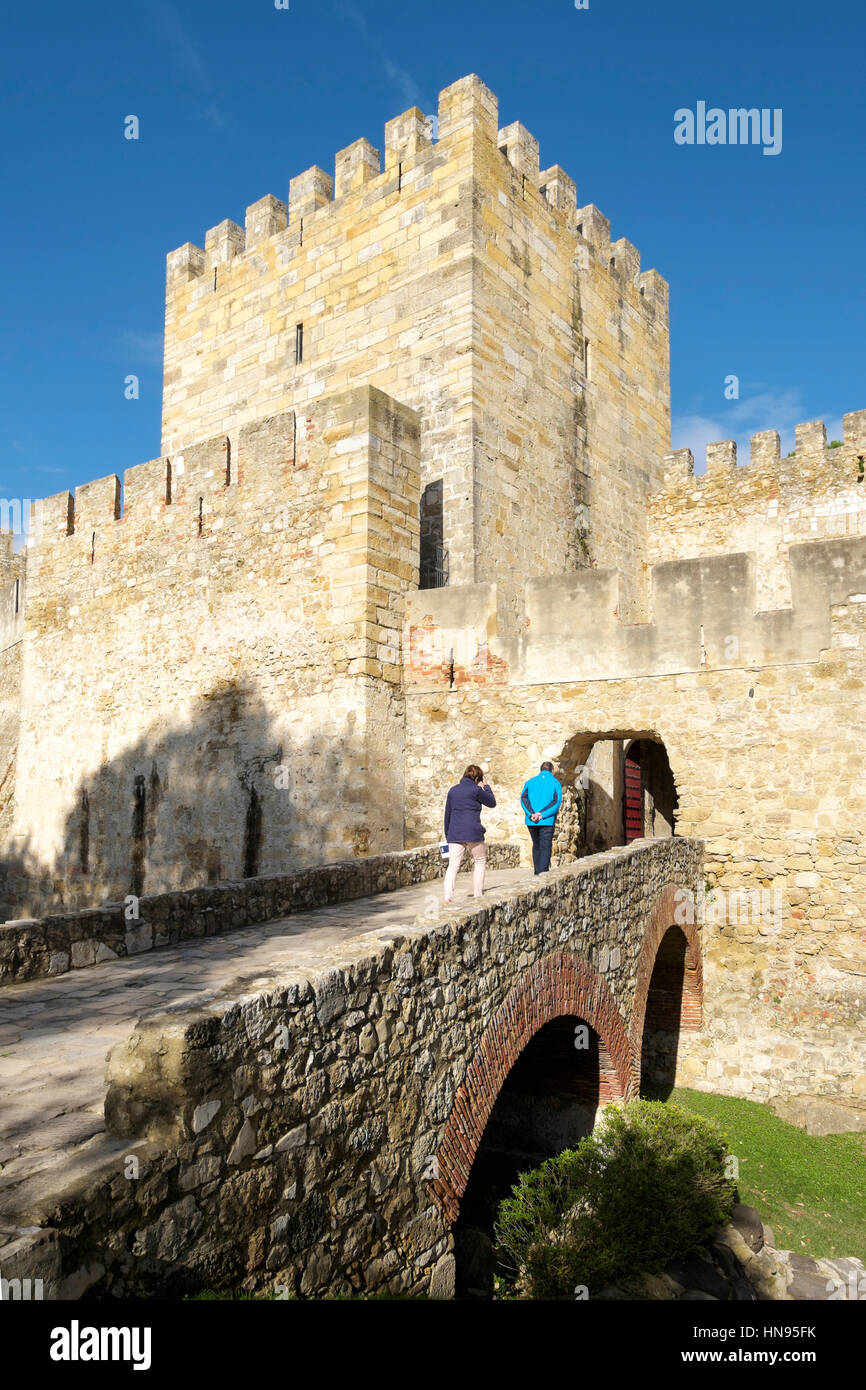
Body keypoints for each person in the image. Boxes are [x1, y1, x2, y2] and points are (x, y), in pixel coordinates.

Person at [442, 764, 496, 902]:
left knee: (453, 864)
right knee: (480, 861)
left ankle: (448, 897)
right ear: (477, 778)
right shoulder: (476, 790)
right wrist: (486, 786)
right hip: (473, 831)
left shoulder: (452, 791)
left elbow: (447, 814)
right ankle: (478, 894)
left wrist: (448, 834)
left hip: (455, 832)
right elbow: (492, 802)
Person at [520, 761, 563, 874]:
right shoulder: (555, 783)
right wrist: (542, 814)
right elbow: (556, 802)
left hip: (531, 821)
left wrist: (532, 814)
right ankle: (543, 873)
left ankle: (536, 872)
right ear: (552, 770)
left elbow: (523, 799)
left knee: (537, 845)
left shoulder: (529, 782)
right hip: (547, 820)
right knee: (545, 846)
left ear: (540, 770)